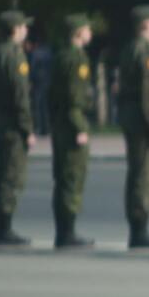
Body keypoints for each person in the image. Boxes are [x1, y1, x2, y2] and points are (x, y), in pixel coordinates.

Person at [117, 4, 149, 249]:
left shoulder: (130, 48)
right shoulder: (146, 51)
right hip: (142, 120)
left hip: (131, 117)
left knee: (136, 172)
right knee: (144, 175)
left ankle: (137, 227)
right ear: (145, 24)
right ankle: (140, 230)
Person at [0, 10, 35, 247]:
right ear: (16, 29)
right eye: (23, 26)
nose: (26, 30)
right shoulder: (15, 55)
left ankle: (1, 227)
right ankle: (4, 229)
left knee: (3, 173)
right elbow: (20, 95)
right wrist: (27, 128)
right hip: (13, 125)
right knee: (11, 176)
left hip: (0, 120)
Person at [49, 13, 97, 249]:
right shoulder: (77, 58)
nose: (90, 32)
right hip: (72, 124)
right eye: (87, 29)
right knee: (72, 177)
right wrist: (79, 126)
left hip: (60, 122)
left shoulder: (61, 55)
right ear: (78, 32)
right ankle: (67, 233)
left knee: (63, 177)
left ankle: (63, 231)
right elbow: (74, 95)